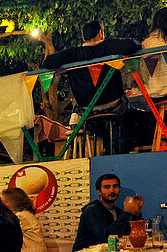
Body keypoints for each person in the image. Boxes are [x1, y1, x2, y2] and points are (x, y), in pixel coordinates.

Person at [40, 21, 142, 154]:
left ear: (83, 38)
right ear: (101, 33)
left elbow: (47, 62)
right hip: (115, 106)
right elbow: (134, 45)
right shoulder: (109, 46)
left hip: (87, 111)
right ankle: (120, 154)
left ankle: (105, 153)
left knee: (102, 122)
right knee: (131, 115)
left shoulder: (74, 54)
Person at [71, 174, 144, 252]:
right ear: (99, 191)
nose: (112, 191)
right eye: (107, 187)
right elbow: (108, 237)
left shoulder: (117, 211)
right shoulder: (92, 210)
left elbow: (128, 235)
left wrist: (136, 215)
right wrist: (126, 213)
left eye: (115, 186)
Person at [2, 187, 53, 252]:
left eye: (5, 203)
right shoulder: (26, 214)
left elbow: (5, 235)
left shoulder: (21, 216)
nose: (3, 206)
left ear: (16, 201)